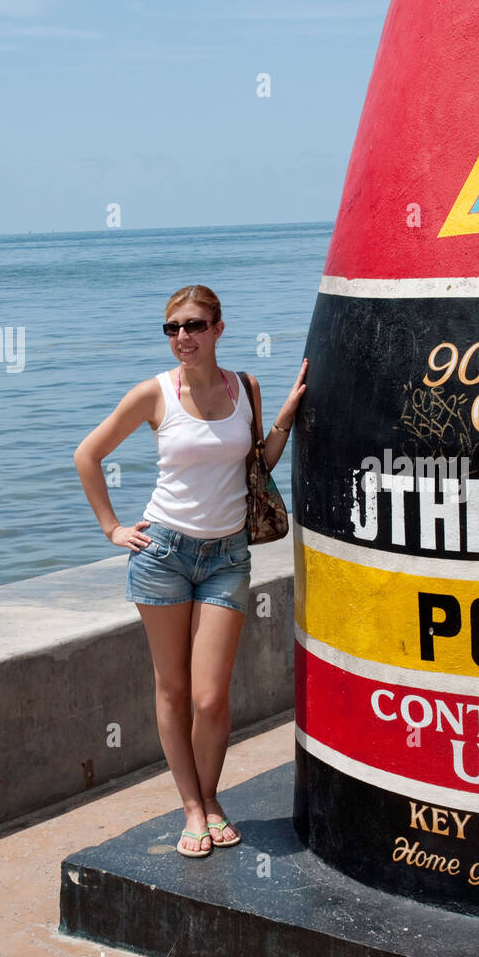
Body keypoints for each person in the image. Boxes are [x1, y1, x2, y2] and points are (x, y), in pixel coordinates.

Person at [74, 284, 307, 858]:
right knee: (174, 689)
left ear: (219, 329)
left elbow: (256, 467)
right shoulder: (154, 394)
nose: (184, 337)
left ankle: (210, 796)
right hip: (163, 555)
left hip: (227, 557)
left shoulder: (244, 387)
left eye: (195, 326)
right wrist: (112, 529)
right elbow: (87, 455)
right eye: (173, 328)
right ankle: (193, 807)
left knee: (209, 698)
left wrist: (282, 420)